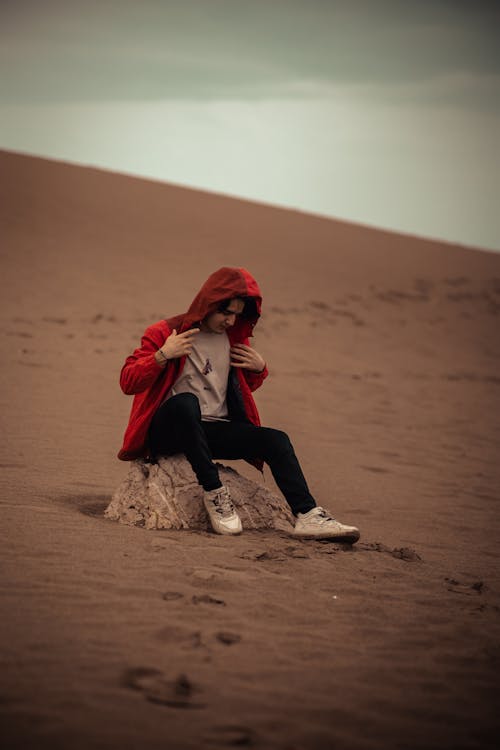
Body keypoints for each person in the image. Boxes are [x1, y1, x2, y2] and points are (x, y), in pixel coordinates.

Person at [118, 267, 359, 542]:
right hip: (170, 429)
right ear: (207, 304)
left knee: (277, 440)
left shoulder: (234, 340)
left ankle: (307, 515)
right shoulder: (165, 332)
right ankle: (215, 493)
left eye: (236, 315)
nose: (231, 321)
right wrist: (162, 355)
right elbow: (128, 381)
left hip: (212, 431)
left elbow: (240, 389)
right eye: (225, 313)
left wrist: (259, 370)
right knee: (186, 403)